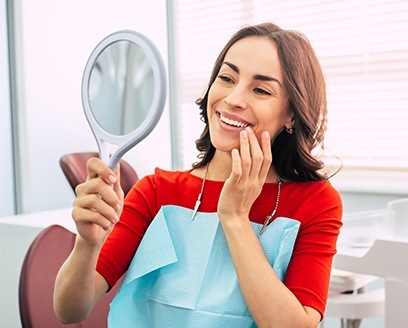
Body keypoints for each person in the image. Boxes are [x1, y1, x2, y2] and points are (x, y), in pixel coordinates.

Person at [54, 22, 342, 327]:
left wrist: (234, 218)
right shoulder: (157, 192)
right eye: (227, 78)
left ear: (292, 114)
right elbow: (70, 311)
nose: (233, 98)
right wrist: (86, 245)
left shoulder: (316, 203)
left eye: (260, 89)